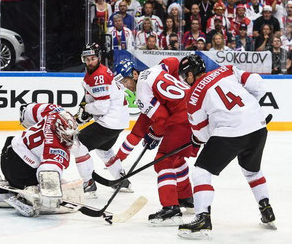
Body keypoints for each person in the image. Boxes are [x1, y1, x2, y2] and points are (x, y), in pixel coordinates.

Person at [177, 54, 276, 239]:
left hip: (231, 133)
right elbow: (256, 83)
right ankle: (266, 208)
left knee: (201, 172)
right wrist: (250, 111)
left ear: (191, 74)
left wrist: (198, 139)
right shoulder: (227, 69)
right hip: (258, 127)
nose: (185, 80)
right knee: (252, 171)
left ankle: (202, 219)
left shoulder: (193, 95)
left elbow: (201, 134)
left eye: (185, 76)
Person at [112, 57, 199, 226]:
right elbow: (173, 61)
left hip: (182, 119)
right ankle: (186, 198)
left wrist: (154, 135)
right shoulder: (155, 70)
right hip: (196, 111)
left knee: (163, 161)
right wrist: (174, 78)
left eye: (126, 81)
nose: (126, 86)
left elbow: (161, 120)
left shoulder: (142, 95)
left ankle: (171, 209)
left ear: (135, 75)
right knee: (176, 158)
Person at [0, 104, 83, 217]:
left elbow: (27, 111)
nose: (70, 139)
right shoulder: (55, 148)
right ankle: (24, 198)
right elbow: (47, 175)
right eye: (67, 136)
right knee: (48, 187)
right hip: (20, 170)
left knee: (47, 179)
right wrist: (49, 196)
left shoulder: (55, 111)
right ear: (58, 131)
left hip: (8, 151)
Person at [74, 43, 132, 197]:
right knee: (104, 149)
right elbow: (94, 100)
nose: (90, 62)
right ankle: (122, 180)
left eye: (93, 58)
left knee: (78, 143)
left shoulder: (99, 76)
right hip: (118, 121)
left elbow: (101, 107)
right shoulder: (100, 72)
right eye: (87, 59)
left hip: (109, 120)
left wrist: (86, 110)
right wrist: (85, 108)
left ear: (98, 58)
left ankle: (88, 184)